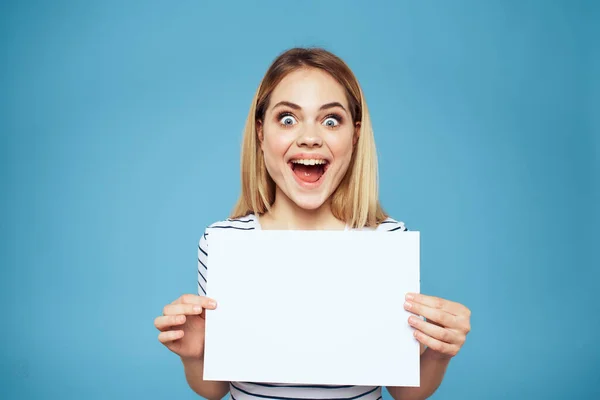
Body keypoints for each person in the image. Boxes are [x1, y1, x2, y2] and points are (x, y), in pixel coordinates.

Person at [154, 47, 471, 400]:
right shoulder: (223, 242)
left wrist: (440, 352)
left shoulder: (385, 240)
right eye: (287, 119)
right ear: (260, 133)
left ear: (355, 134)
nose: (309, 137)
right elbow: (213, 389)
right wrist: (196, 354)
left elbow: (404, 391)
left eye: (331, 120)